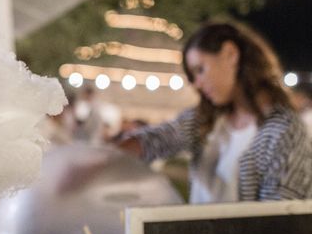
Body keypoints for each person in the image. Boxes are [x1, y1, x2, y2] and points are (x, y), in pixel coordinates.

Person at [63, 22, 312, 203]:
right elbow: (156, 139)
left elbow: (280, 223)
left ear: (230, 54)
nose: (196, 84)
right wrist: (95, 164)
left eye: (200, 69)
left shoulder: (284, 131)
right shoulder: (210, 120)